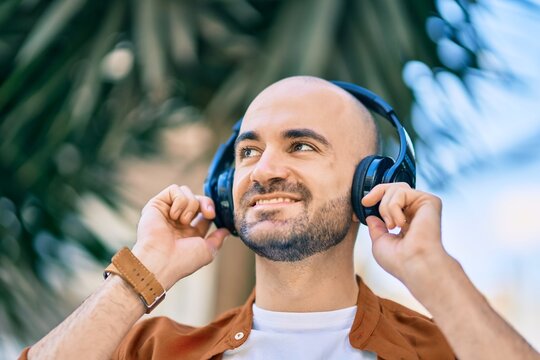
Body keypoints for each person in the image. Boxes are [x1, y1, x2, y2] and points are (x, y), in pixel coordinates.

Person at [21, 76, 538, 360]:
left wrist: (434, 272)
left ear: (373, 185)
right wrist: (144, 271)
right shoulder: (151, 350)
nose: (264, 170)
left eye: (302, 145)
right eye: (248, 151)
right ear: (223, 190)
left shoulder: (448, 351)